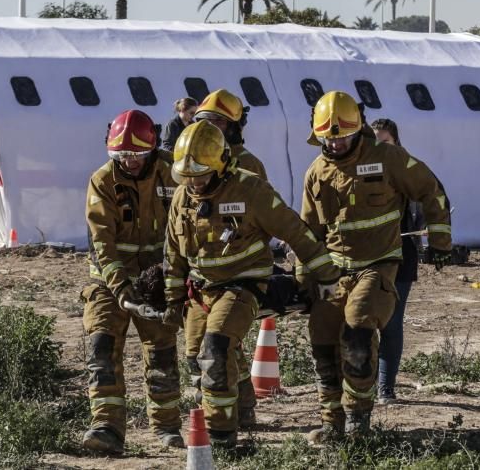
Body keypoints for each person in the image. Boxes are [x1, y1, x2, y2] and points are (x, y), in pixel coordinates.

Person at [163, 120, 341, 448]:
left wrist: (325, 275)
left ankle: (220, 437)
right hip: (202, 290)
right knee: (196, 359)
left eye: (200, 174)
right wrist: (174, 299)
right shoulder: (182, 198)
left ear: (221, 165)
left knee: (215, 350)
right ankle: (243, 407)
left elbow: (296, 233)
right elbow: (173, 252)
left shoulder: (251, 190)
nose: (194, 182)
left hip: (243, 286)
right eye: (186, 176)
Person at [299, 92, 453, 444]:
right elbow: (308, 232)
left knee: (357, 332)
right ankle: (331, 422)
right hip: (334, 271)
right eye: (328, 138)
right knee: (322, 342)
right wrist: (302, 278)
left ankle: (358, 420)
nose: (335, 144)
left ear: (357, 131)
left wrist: (440, 244)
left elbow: (431, 190)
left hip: (378, 266)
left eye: (341, 137)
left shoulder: (388, 158)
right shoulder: (316, 172)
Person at [81, 109, 183, 454]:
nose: (130, 162)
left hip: (157, 278)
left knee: (162, 349)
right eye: (122, 155)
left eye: (137, 155)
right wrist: (122, 290)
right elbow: (101, 244)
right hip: (110, 281)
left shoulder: (173, 173)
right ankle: (106, 426)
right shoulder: (102, 181)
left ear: (151, 149)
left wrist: (174, 278)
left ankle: (168, 427)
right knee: (101, 345)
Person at [183, 88, 269, 427]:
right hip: (200, 277)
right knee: (196, 354)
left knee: (218, 344)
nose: (212, 127)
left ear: (235, 126)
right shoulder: (190, 162)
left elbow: (268, 221)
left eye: (219, 121)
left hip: (238, 277)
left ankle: (227, 420)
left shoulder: (248, 166)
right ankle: (243, 399)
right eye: (206, 120)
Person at [370, 118, 423, 405]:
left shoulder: (406, 169)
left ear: (396, 142)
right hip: (367, 255)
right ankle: (362, 385)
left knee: (391, 321)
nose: (379, 147)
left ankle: (385, 388)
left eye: (385, 141)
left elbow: (431, 195)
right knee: (361, 321)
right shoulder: (358, 169)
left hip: (401, 255)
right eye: (374, 140)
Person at [193, 89, 266, 180]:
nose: (211, 125)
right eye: (206, 119)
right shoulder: (190, 157)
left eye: (219, 120)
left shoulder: (249, 164)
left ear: (233, 127)